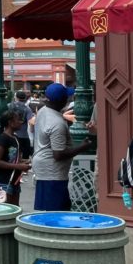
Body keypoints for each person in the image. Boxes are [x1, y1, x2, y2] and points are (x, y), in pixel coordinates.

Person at [31, 82, 92, 212]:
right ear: (63, 100)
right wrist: (82, 147)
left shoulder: (43, 111)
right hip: (52, 173)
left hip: (44, 169)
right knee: (56, 212)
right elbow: (58, 154)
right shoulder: (57, 124)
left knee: (50, 210)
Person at [0, 105, 31, 205]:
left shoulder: (15, 138)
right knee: (2, 210)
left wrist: (24, 162)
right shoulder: (3, 138)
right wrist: (18, 166)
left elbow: (11, 158)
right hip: (2, 182)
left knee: (14, 208)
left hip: (14, 181)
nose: (21, 122)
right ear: (10, 122)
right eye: (18, 120)